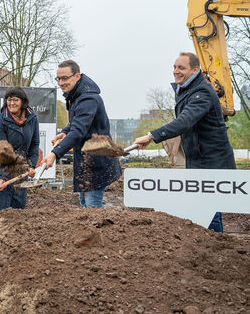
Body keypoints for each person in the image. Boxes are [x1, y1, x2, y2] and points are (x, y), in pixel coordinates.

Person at [133, 52, 235, 232]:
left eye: (181, 68)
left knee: (209, 210)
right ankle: (210, 245)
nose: (176, 71)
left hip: (211, 161)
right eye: (174, 67)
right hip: (198, 159)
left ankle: (216, 246)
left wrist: (151, 136)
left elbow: (184, 121)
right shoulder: (188, 90)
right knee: (200, 208)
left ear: (195, 70)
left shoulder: (201, 92)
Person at [41, 60, 121, 208]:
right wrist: (65, 132)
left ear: (77, 76)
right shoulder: (76, 96)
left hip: (97, 161)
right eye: (58, 79)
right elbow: (76, 123)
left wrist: (54, 153)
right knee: (84, 202)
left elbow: (78, 131)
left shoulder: (87, 99)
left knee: (91, 206)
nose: (60, 83)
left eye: (65, 78)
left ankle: (97, 231)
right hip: (86, 161)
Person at [0, 87, 40, 210]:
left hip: (20, 168)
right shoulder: (0, 121)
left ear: (23, 102)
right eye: (9, 100)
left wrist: (31, 166)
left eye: (15, 100)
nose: (11, 103)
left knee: (18, 208)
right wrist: (1, 177)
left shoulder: (32, 118)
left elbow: (34, 145)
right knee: (0, 208)